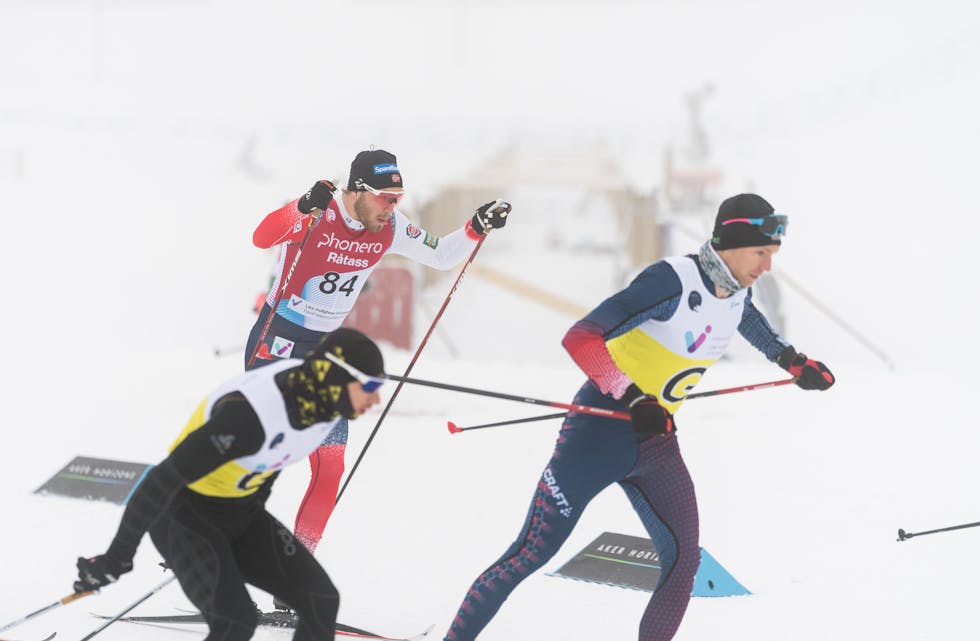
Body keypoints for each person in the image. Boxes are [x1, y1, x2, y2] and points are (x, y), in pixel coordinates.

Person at [441, 193, 835, 641]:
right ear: (730, 243)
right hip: (596, 434)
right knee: (529, 554)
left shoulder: (733, 292)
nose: (767, 267)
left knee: (684, 560)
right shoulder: (671, 281)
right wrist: (632, 396)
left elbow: (745, 318)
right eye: (761, 253)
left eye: (772, 255)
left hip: (656, 442)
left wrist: (791, 360)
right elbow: (581, 337)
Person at [246, 148, 511, 560]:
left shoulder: (389, 226)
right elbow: (262, 237)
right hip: (276, 344)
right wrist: (300, 208)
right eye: (386, 198)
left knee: (330, 464)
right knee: (264, 455)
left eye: (398, 198)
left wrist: (475, 227)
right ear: (357, 191)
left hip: (323, 353)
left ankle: (295, 572)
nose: (392, 207)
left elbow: (441, 254)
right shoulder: (319, 210)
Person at [73, 328, 387, 641]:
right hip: (183, 514)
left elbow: (274, 460)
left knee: (321, 601)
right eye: (370, 386)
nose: (376, 399)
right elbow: (158, 481)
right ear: (333, 376)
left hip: (240, 511)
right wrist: (117, 558)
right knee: (237, 623)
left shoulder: (325, 407)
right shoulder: (248, 417)